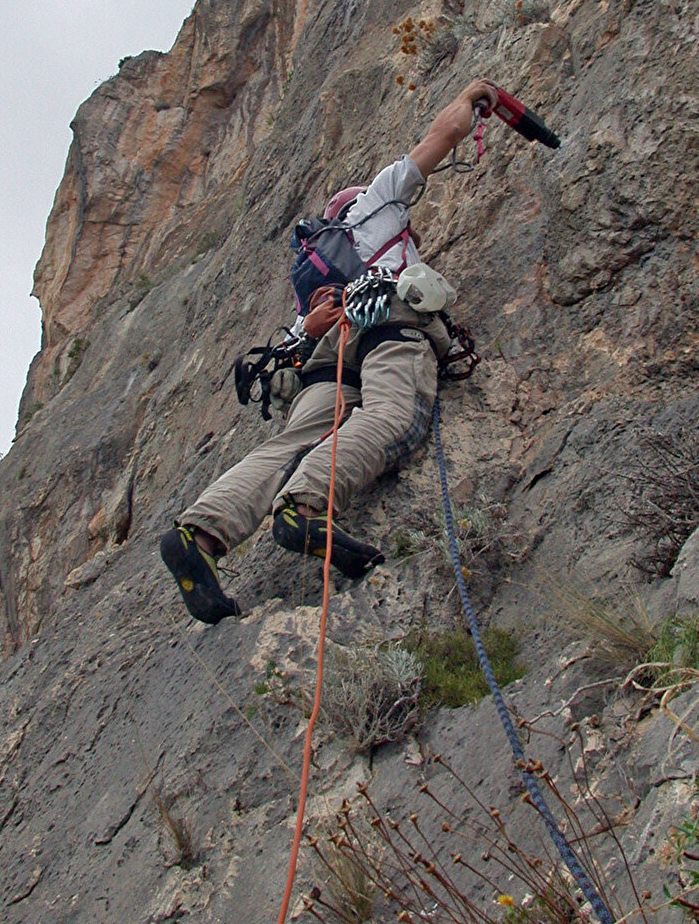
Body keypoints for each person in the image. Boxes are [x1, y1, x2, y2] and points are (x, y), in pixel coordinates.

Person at [160, 79, 497, 623]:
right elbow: (443, 134)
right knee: (393, 414)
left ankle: (199, 531)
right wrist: (476, 95)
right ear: (353, 204)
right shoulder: (375, 207)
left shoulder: (314, 282)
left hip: (327, 359)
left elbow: (285, 361)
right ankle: (304, 508)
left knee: (296, 440)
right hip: (387, 326)